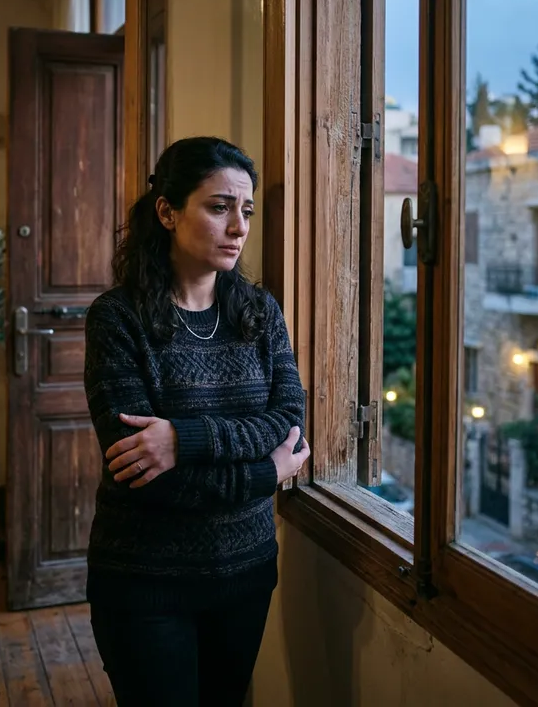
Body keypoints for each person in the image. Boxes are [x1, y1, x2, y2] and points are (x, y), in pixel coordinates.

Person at [83, 136, 310, 707]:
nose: (239, 227)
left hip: (246, 574)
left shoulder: (260, 311)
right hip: (144, 585)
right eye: (219, 207)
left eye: (247, 210)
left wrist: (185, 438)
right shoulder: (117, 319)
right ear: (167, 211)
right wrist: (266, 474)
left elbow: (287, 418)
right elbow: (148, 475)